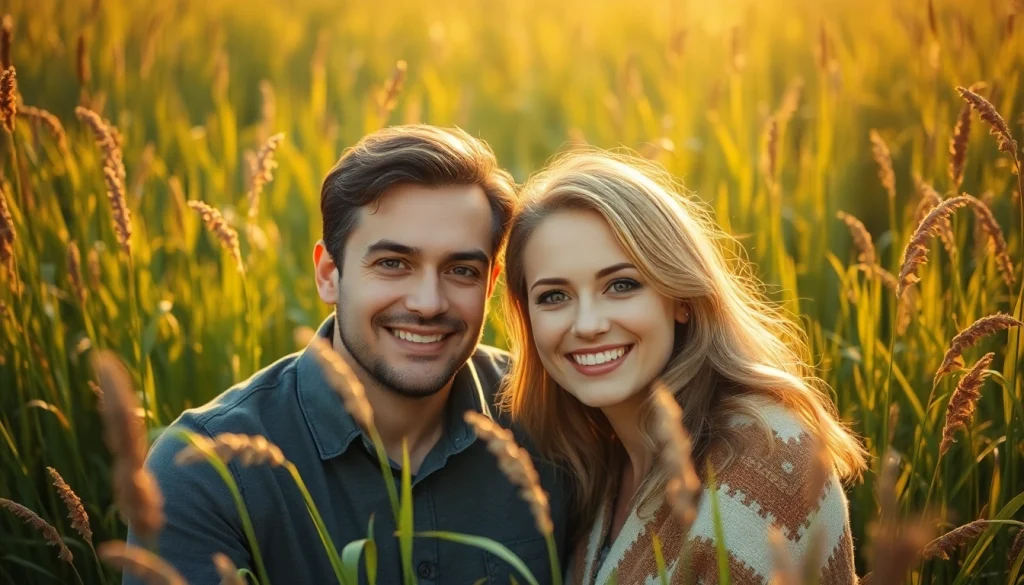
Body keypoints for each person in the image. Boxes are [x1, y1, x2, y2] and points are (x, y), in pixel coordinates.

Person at [127, 125, 570, 584]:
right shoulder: (205, 471)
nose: (428, 303)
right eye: (393, 264)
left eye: (461, 270)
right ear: (328, 274)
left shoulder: (553, 415)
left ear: (491, 281)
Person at [499, 150, 868, 585]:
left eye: (621, 285)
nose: (588, 325)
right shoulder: (587, 460)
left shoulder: (765, 457)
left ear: (682, 299)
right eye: (554, 296)